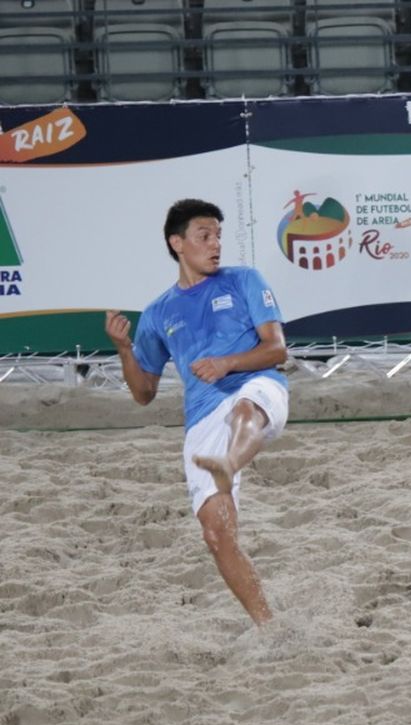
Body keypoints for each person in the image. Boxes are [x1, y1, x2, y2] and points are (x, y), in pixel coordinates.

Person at [103, 199, 290, 625]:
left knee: (245, 409)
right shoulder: (157, 312)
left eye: (219, 236)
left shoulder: (243, 280)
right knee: (216, 534)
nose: (216, 244)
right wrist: (124, 350)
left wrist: (227, 363)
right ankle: (269, 627)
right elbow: (143, 393)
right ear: (177, 243)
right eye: (205, 236)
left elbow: (276, 349)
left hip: (256, 386)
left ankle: (229, 462)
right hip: (203, 416)